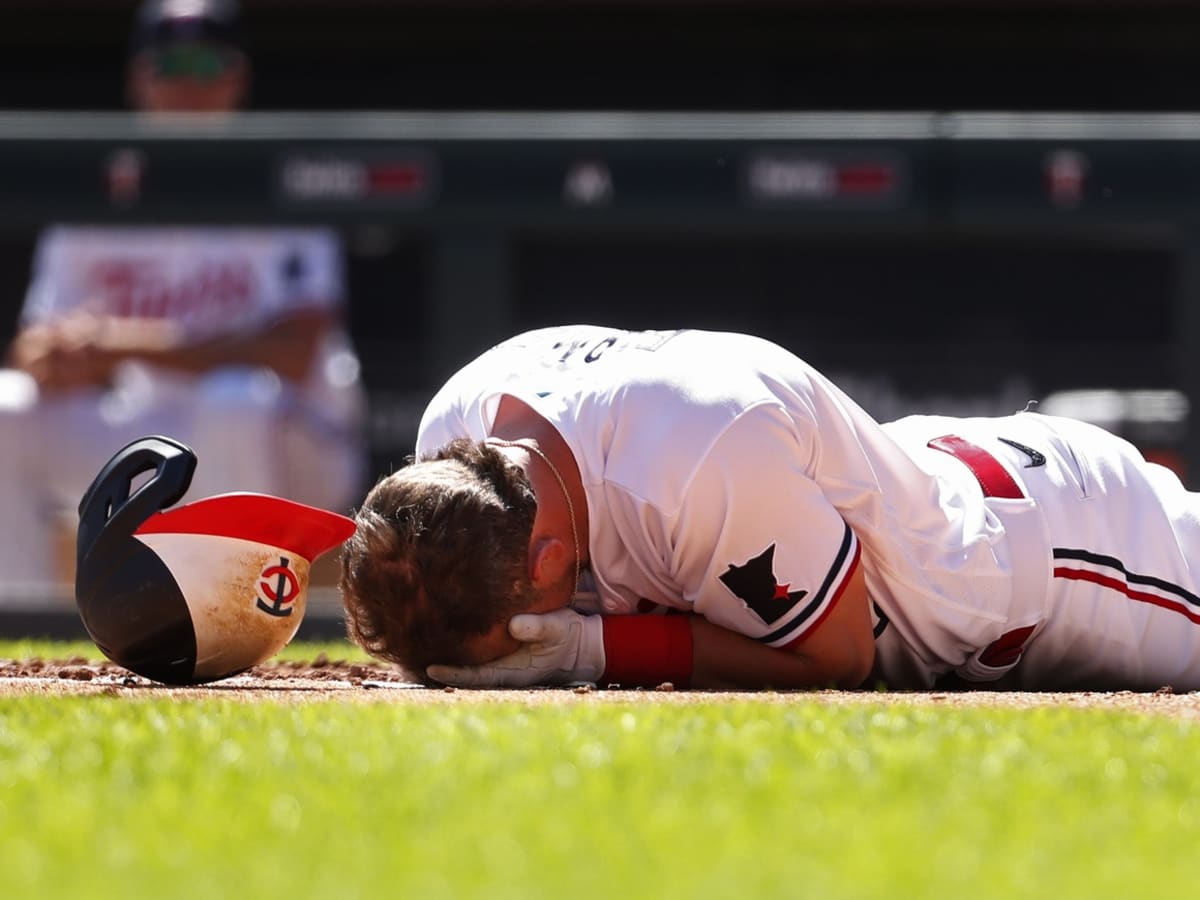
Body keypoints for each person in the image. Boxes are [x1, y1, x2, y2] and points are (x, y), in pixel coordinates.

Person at [338, 324, 1200, 692]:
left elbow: (838, 656)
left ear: (548, 562)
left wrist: (592, 647)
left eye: (508, 640)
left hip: (1064, 556)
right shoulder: (456, 423)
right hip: (918, 485)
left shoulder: (696, 465)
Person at [0, 0, 367, 590]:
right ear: (138, 77)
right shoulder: (99, 194)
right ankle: (13, 629)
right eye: (170, 66)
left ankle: (237, 615)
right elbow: (32, 349)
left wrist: (120, 342)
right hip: (153, 426)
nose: (187, 84)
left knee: (236, 399)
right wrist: (60, 358)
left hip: (297, 441)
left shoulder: (278, 180)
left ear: (237, 75)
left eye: (205, 65)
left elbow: (295, 351)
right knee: (6, 405)